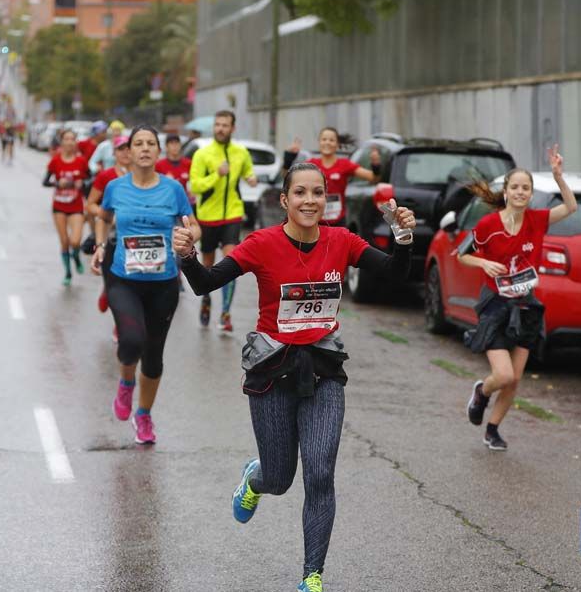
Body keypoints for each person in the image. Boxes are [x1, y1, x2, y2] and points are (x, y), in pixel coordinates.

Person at [174, 162, 415, 592]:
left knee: (320, 474)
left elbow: (395, 271)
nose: (310, 201)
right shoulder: (262, 243)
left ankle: (312, 577)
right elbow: (205, 283)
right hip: (272, 372)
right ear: (284, 201)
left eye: (317, 193)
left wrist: (402, 238)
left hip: (323, 370)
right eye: (300, 193)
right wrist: (188, 255)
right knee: (280, 479)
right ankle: (255, 478)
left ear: (326, 199)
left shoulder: (341, 240)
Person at [459, 145, 577, 451]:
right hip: (496, 303)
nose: (521, 192)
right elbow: (461, 255)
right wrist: (484, 262)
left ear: (531, 193)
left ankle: (493, 429)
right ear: (506, 191)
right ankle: (482, 393)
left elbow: (571, 207)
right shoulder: (488, 225)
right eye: (515, 187)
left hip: (525, 304)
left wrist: (558, 177)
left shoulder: (537, 220)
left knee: (514, 380)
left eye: (526, 188)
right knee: (503, 374)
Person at [91, 125, 200, 445]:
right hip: (124, 278)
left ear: (158, 151)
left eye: (151, 143)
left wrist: (189, 237)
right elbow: (104, 217)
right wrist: (100, 245)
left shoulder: (173, 190)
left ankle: (144, 415)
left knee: (153, 356)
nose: (144, 148)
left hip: (163, 283)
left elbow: (192, 225)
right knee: (131, 340)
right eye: (138, 143)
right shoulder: (115, 187)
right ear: (130, 150)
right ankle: (126, 385)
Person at [188, 110, 257, 332]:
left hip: (232, 215)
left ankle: (226, 313)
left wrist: (251, 178)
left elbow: (248, 172)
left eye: (225, 125)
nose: (220, 129)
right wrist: (217, 174)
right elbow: (195, 186)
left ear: (232, 128)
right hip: (208, 216)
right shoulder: (203, 154)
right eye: (217, 125)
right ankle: (206, 298)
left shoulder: (241, 152)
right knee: (207, 265)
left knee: (231, 262)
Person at [284, 128, 381, 226]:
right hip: (314, 219)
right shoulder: (311, 164)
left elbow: (373, 178)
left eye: (331, 140)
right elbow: (286, 177)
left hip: (337, 221)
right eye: (324, 139)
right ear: (319, 142)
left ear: (337, 144)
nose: (327, 143)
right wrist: (288, 159)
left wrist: (375, 165)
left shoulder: (345, 164)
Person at [86, 133, 132, 320]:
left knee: (130, 280)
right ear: (114, 153)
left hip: (133, 234)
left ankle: (122, 318)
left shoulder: (142, 175)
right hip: (110, 233)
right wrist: (108, 216)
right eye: (121, 149)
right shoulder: (107, 176)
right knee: (115, 280)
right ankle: (109, 291)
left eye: (129, 148)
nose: (126, 152)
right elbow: (90, 204)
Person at [43, 128, 90, 285]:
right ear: (62, 142)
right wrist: (57, 183)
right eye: (67, 139)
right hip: (59, 206)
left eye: (72, 139)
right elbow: (45, 181)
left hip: (76, 206)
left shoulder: (81, 161)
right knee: (64, 241)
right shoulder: (55, 161)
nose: (70, 142)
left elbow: (91, 181)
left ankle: (76, 257)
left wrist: (82, 183)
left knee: (75, 241)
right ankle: (68, 273)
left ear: (75, 142)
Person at [155, 133, 193, 202]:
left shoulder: (188, 163)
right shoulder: (159, 165)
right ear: (166, 147)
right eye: (171, 143)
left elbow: (193, 184)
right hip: (166, 201)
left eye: (177, 143)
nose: (174, 146)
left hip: (185, 202)